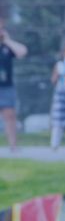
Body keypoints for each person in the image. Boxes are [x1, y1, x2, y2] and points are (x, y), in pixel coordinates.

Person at [0, 19, 29, 154]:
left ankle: (13, 145)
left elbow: (22, 52)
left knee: (10, 116)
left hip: (6, 86)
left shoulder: (6, 47)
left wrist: (7, 40)